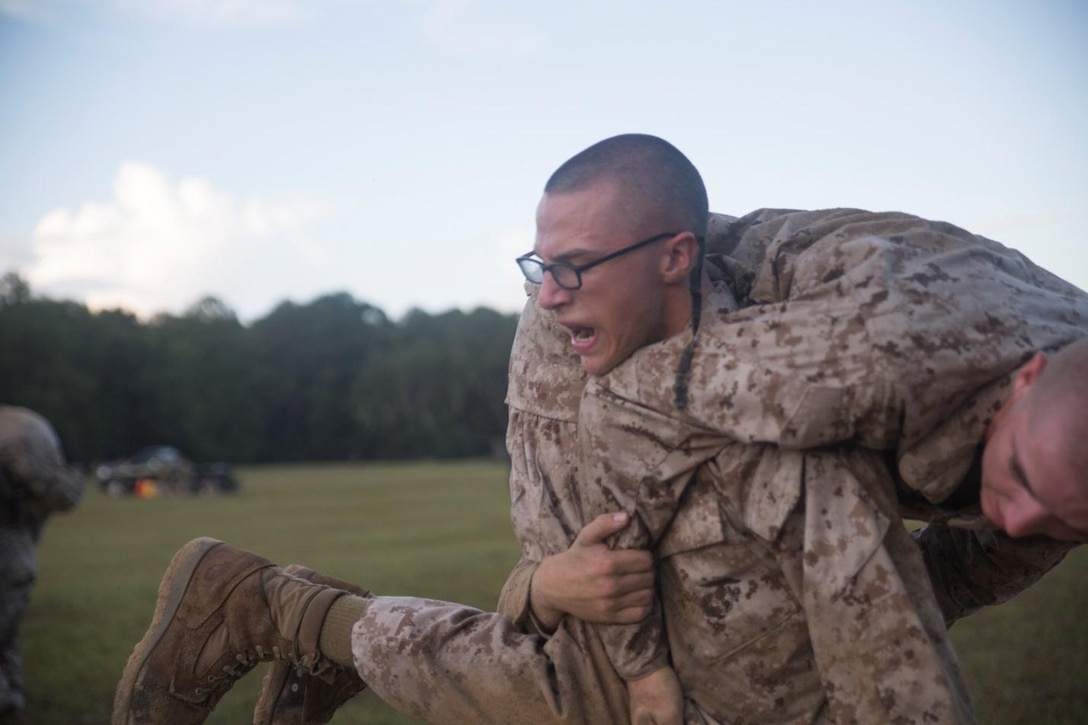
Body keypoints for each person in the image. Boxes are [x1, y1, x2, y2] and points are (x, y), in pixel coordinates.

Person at [113, 135, 1086, 724]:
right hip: (713, 444)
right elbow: (565, 518)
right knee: (583, 681)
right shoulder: (869, 345)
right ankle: (280, 612)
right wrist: (636, 660)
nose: (1013, 513)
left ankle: (292, 616)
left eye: (1058, 513)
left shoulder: (1055, 419)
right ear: (1022, 377)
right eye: (542, 265)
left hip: (766, 427)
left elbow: (963, 565)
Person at [0, 405, 84, 725]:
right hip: (17, 560)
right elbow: (61, 495)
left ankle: (8, 706)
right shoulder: (21, 430)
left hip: (11, 559)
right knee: (5, 644)